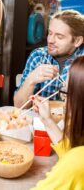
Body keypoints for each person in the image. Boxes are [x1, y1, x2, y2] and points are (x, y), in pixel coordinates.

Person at [31, 55, 84, 189]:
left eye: (66, 92)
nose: (64, 102)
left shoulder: (76, 163)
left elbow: (74, 161)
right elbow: (72, 155)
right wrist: (47, 120)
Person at [14, 10, 84, 107]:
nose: (50, 40)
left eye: (59, 37)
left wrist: (50, 105)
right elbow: (19, 106)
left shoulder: (82, 61)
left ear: (77, 41)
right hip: (39, 121)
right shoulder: (38, 56)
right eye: (50, 33)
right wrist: (31, 80)